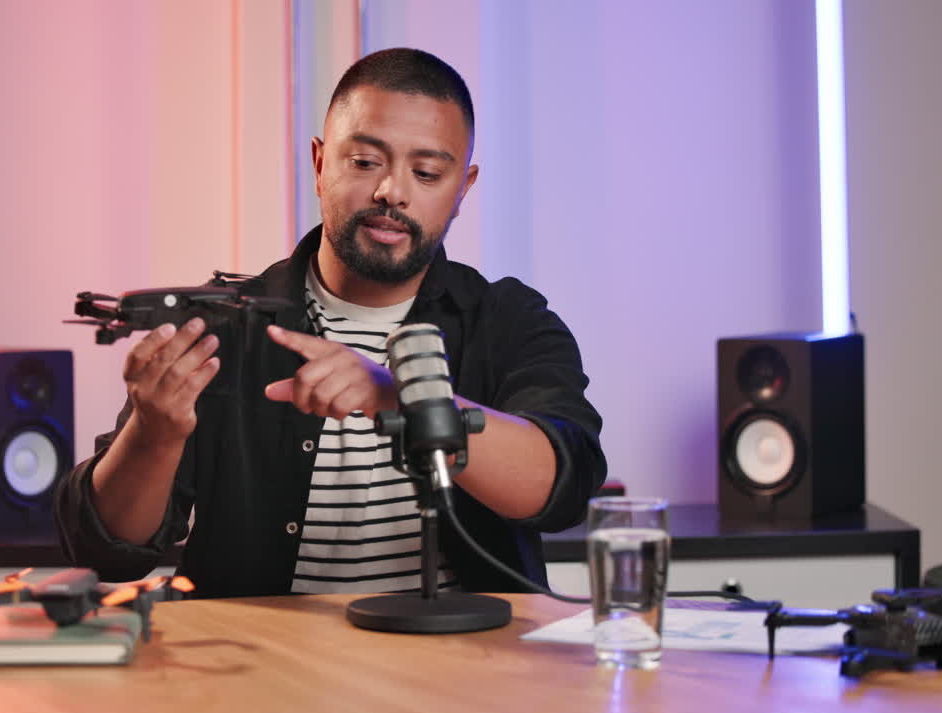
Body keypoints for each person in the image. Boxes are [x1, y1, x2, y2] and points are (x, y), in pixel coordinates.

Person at [55, 47, 606, 599]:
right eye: (365, 163)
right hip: (263, 672)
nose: (392, 191)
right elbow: (106, 552)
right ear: (320, 165)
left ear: (463, 187)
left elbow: (562, 488)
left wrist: (397, 395)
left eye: (427, 172)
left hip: (465, 668)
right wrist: (153, 434)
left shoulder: (509, 321)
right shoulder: (223, 328)